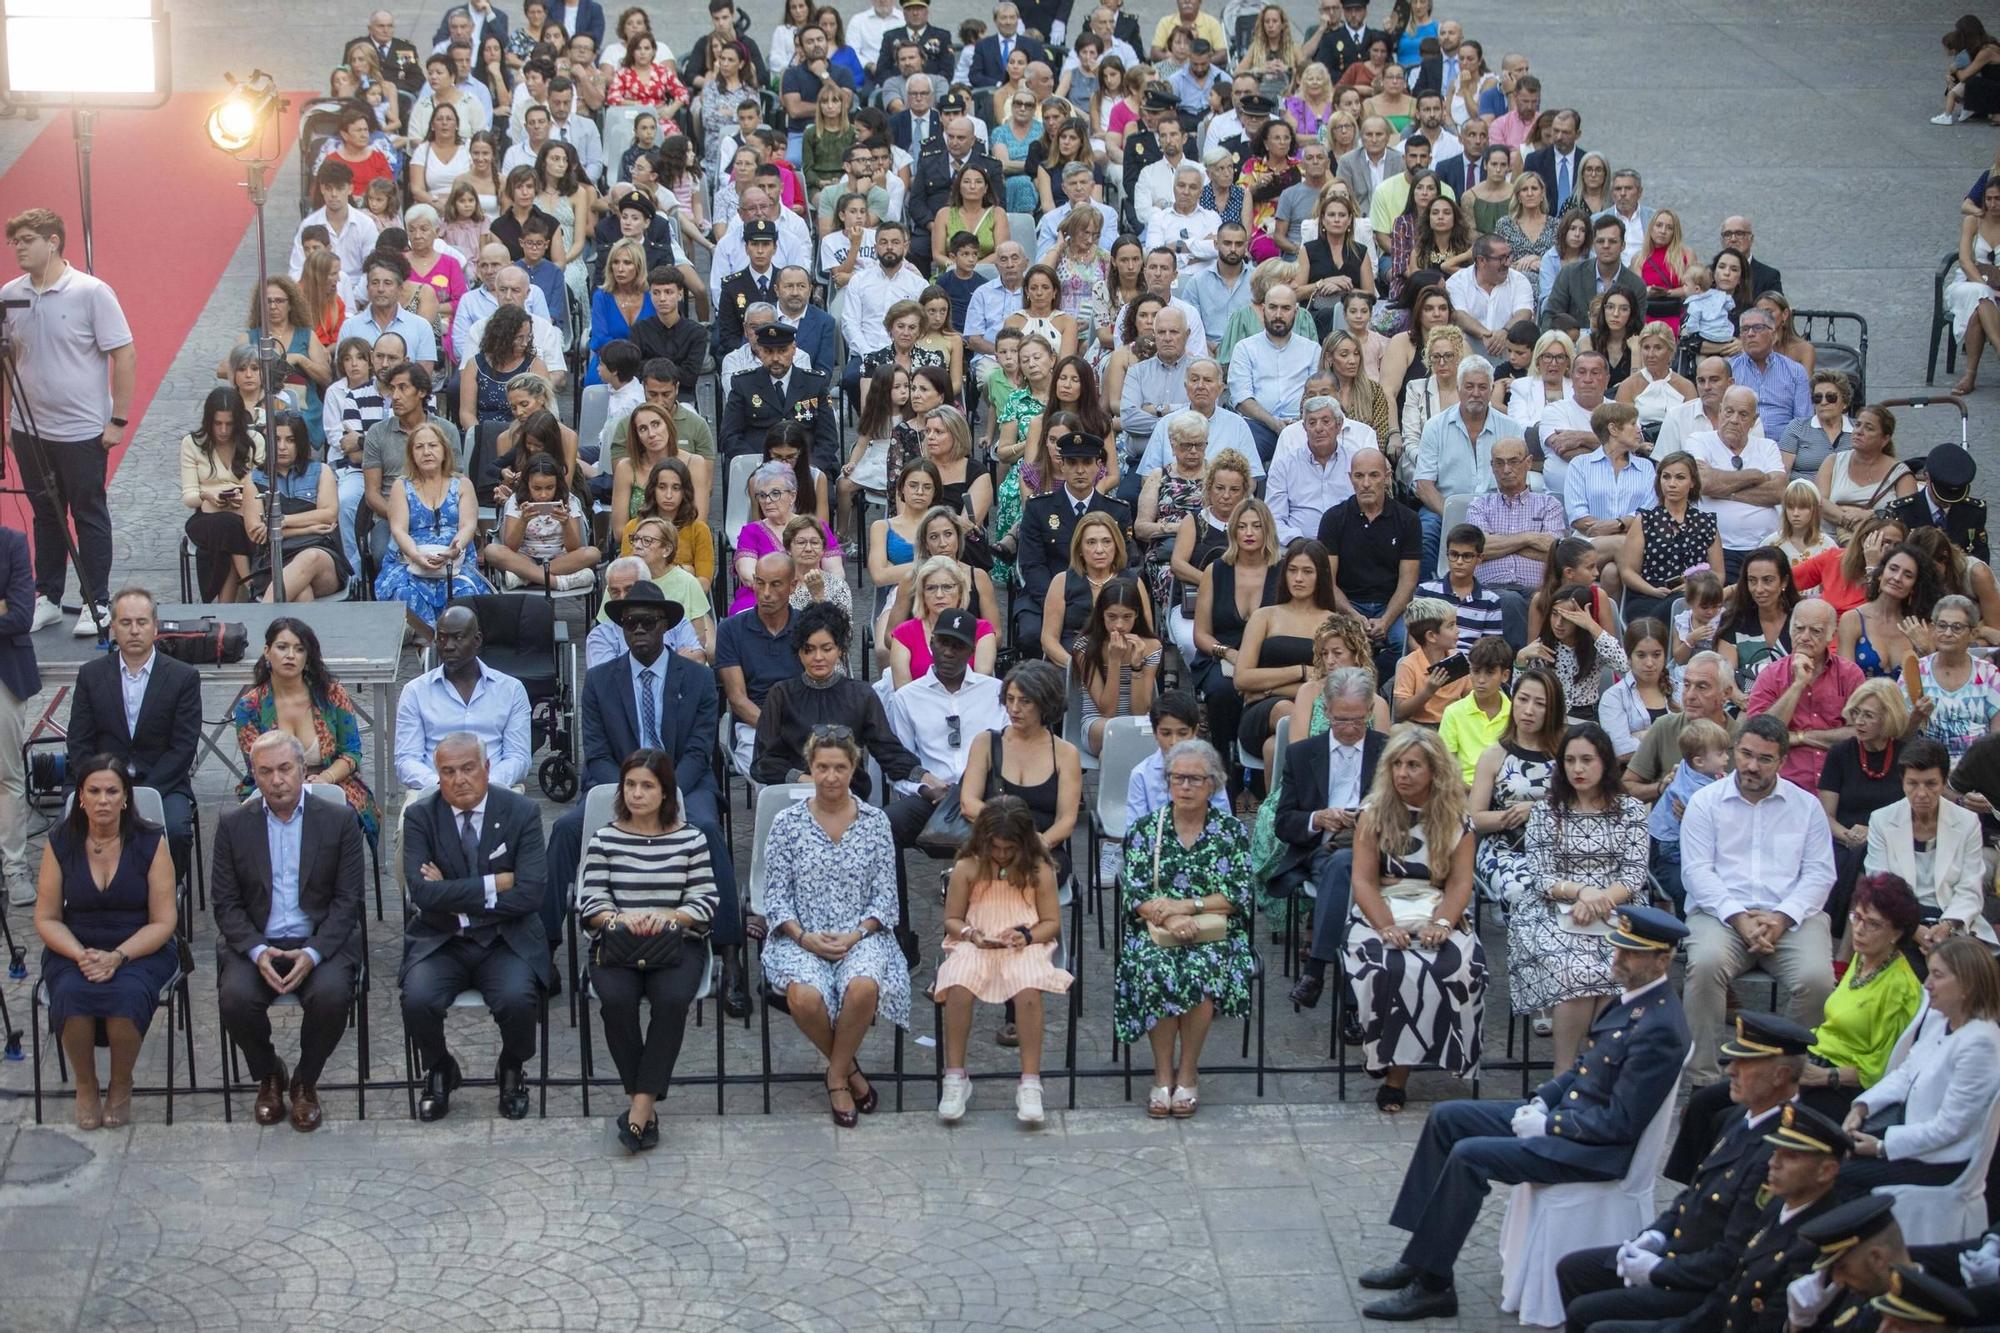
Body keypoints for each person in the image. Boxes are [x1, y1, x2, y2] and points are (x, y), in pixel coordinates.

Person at [1356, 905, 1691, 1321]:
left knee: (1469, 1156)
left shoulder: (1659, 1026)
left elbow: (1620, 1124)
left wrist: (1549, 1124)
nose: (1617, 959)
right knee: (1447, 1118)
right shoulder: (1633, 1002)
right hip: (1569, 1119)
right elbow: (1587, 1067)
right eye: (1618, 948)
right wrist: (1544, 1098)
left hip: (1593, 1151)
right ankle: (1419, 1253)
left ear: (1663, 960)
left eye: (1631, 954)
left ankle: (1433, 1285)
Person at [1559, 1011, 1817, 1331]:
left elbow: (1732, 1255)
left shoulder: (1781, 1147)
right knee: (1574, 1269)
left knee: (1589, 1314)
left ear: (1780, 1075)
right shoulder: (1739, 1117)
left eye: (1745, 1064)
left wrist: (1657, 1271)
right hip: (1679, 1254)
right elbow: (1695, 1193)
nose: (1731, 1071)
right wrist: (1655, 1234)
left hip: (1703, 1285)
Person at [210, 732, 366, 1133]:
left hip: (318, 942)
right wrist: (256, 950)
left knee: (331, 995)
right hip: (259, 942)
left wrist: (313, 953)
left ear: (303, 770)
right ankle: (269, 1074)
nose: (277, 780)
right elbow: (226, 904)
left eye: (285, 769)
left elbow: (349, 901)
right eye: (266, 772)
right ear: (254, 775)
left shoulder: (340, 821)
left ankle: (305, 1081)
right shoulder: (232, 825)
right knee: (235, 999)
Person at [760, 725, 911, 1128]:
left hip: (861, 934)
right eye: (822, 767)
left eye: (839, 767)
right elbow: (774, 896)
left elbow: (886, 897)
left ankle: (835, 1077)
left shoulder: (876, 822)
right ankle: (850, 1073)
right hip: (800, 935)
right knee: (805, 998)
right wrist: (803, 937)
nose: (830, 776)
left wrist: (856, 934)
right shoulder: (787, 824)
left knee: (863, 985)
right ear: (809, 768)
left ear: (853, 768)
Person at [1679, 714, 1838, 1085]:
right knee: (1703, 965)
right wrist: (1738, 917)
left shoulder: (1807, 807)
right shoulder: (1705, 803)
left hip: (1791, 918)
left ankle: (1781, 1076)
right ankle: (1703, 1083)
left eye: (1764, 759)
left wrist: (1782, 917)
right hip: (1720, 915)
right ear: (1734, 750)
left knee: (1817, 981)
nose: (1751, 765)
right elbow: (1697, 872)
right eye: (1745, 754)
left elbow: (1819, 873)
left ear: (1782, 761)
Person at [399, 733, 547, 1122]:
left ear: (486, 769)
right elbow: (421, 895)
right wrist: (494, 884)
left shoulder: (522, 812)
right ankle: (440, 1068)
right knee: (417, 1000)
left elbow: (532, 894)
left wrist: (449, 889)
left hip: (504, 939)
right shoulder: (420, 817)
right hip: (442, 938)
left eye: (467, 769)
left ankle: (511, 1067)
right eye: (448, 772)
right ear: (437, 776)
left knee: (518, 1001)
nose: (459, 779)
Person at [576, 747, 717, 1152]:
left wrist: (669, 916)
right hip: (618, 940)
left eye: (648, 786)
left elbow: (705, 899)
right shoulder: (605, 837)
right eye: (631, 785)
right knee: (616, 1000)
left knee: (672, 1000)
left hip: (675, 941)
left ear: (665, 792)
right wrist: (618, 919)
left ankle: (639, 1107)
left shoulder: (691, 838)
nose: (638, 794)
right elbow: (592, 899)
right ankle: (646, 1103)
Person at [3, 208, 136, 635]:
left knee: (87, 512)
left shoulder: (91, 292)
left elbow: (124, 354)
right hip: (30, 429)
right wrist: (6, 418)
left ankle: (96, 600)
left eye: (27, 240)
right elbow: (6, 361)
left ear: (53, 241)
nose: (19, 248)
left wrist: (117, 418)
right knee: (45, 513)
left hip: (81, 430)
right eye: (15, 242)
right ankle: (48, 595)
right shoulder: (10, 294)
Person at [34, 753, 178, 1130]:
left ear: (125, 797)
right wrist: (81, 955)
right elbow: (46, 917)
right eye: (93, 791)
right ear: (80, 797)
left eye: (112, 791)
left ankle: (120, 1083)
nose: (103, 799)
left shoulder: (150, 841)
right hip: (75, 946)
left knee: (126, 995)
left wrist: (117, 957)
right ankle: (86, 1084)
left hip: (140, 947)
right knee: (70, 992)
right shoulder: (61, 841)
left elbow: (164, 921)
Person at [1116, 738, 1253, 1120]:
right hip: (1157, 929)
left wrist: (1188, 907)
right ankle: (1162, 1075)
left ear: (1214, 784)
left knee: (1204, 968)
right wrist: (1169, 918)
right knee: (1156, 968)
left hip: (1216, 932)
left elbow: (1238, 893)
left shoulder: (1230, 831)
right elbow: (1136, 892)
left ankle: (1188, 1072)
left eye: (1195, 779)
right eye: (1178, 779)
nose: (1186, 787)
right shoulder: (1148, 829)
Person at [1511, 722, 1652, 1070]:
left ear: (1605, 762)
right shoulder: (1546, 811)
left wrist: (1600, 900)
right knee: (1573, 972)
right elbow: (1542, 876)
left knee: (1613, 970)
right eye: (1570, 760)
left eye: (1587, 760)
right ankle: (1563, 1072)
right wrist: (1582, 893)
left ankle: (1597, 1070)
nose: (1578, 768)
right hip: (1553, 907)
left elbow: (1633, 875)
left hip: (1619, 906)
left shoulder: (1631, 810)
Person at [932, 794, 1074, 1126]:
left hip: (1024, 944)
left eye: (1009, 849)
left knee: (1027, 988)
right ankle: (955, 1077)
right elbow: (951, 919)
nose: (1001, 855)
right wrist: (971, 934)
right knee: (957, 982)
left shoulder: (1039, 869)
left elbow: (1051, 922)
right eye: (995, 848)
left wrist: (1025, 935)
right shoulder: (967, 868)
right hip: (976, 942)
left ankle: (1030, 1081)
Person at [1839, 935, 2000, 1193]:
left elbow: (1949, 1128)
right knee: (1831, 1149)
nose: (1927, 985)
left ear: (1967, 985)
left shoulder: (1980, 1043)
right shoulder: (1940, 1018)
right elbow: (1906, 1073)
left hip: (1941, 1161)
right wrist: (1861, 1108)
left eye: (1937, 975)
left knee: (1840, 1175)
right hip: (1911, 1133)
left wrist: (1882, 1147)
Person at [64, 588, 200, 881]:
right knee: (68, 832)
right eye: (125, 623)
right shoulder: (91, 675)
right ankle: (90, 904)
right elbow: (79, 741)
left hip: (163, 782)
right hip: (101, 782)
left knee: (176, 832)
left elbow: (184, 746)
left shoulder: (183, 677)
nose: (134, 630)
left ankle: (167, 902)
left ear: (156, 626)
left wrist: (146, 794)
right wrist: (103, 787)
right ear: (112, 627)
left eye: (141, 622)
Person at [231, 618, 379, 846]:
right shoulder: (249, 707)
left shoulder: (332, 694)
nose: (290, 655)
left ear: (307, 658)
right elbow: (258, 766)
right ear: (267, 652)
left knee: (336, 821)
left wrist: (324, 779)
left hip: (333, 782)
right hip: (274, 785)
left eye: (300, 649)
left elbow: (351, 753)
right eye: (282, 647)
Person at [753, 602, 923, 795]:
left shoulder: (860, 695)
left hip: (849, 794)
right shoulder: (782, 695)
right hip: (796, 794)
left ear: (840, 650)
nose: (818, 657)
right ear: (799, 652)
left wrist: (924, 777)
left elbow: (888, 751)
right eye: (809, 649)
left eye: (826, 649)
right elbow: (763, 762)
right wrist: (808, 781)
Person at [1319, 446, 1422, 680]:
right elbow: (1327, 580)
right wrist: (1353, 615)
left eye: (1374, 475)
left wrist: (1385, 621)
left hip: (1392, 606)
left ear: (1386, 478)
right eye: (1359, 476)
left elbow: (1409, 581)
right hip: (1347, 604)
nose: (1366, 483)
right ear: (1350, 478)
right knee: (1340, 643)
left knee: (1402, 642)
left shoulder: (1408, 520)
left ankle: (1378, 691)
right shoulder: (1334, 519)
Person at [1747, 598, 1864, 792]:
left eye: (1815, 631)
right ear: (1790, 631)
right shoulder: (1771, 674)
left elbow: (1859, 733)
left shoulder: (1850, 674)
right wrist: (1797, 685)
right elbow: (1759, 735)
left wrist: (1799, 737)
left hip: (1840, 785)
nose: (1804, 637)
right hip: (1785, 786)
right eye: (1799, 629)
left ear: (1831, 636)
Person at [1882, 441, 1991, 564]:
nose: (1948, 502)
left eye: (1955, 495)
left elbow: (1981, 560)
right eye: (1943, 494)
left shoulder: (1973, 512)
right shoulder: (1901, 512)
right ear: (1926, 478)